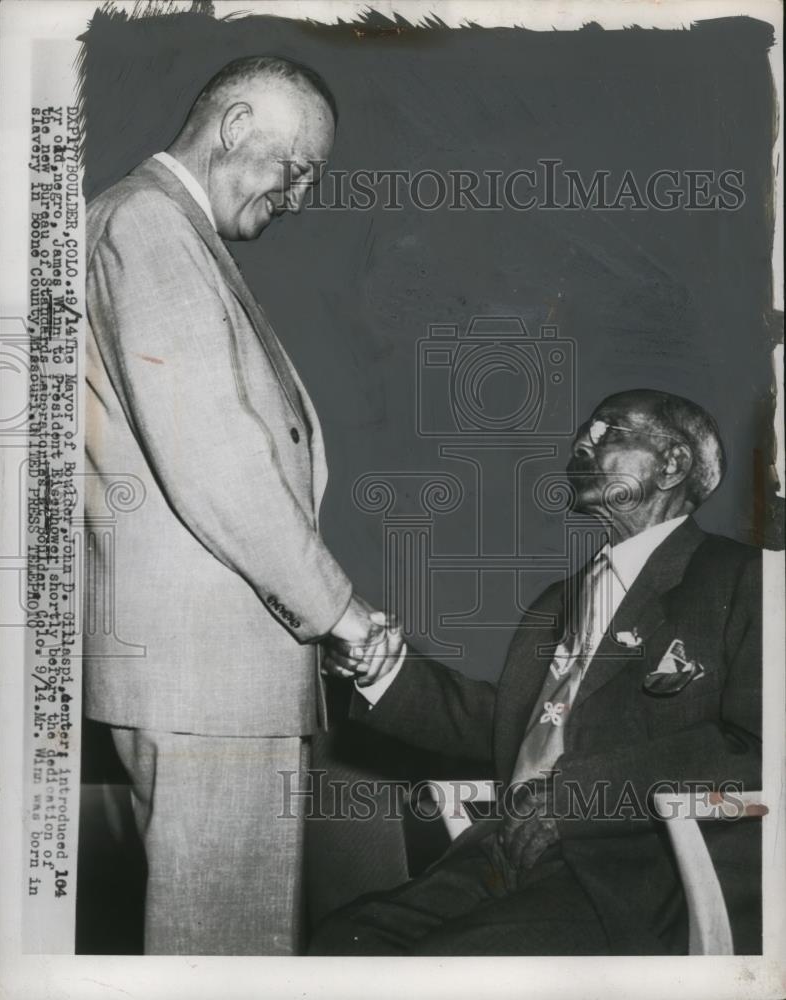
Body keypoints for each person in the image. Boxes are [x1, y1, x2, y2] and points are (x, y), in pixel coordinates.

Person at [84, 55, 387, 955]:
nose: (298, 198)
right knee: (229, 954)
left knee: (217, 944)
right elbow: (219, 460)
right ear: (233, 126)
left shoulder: (147, 225)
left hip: (197, 678)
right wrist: (344, 614)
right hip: (210, 684)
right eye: (296, 169)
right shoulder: (147, 224)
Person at [312, 389, 763, 955]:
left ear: (672, 463)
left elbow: (758, 746)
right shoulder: (558, 602)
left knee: (443, 969)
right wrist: (383, 670)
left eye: (610, 430)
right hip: (501, 855)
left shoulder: (746, 580)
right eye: (584, 429)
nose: (582, 441)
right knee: (345, 942)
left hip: (634, 873)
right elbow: (512, 729)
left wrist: (570, 797)